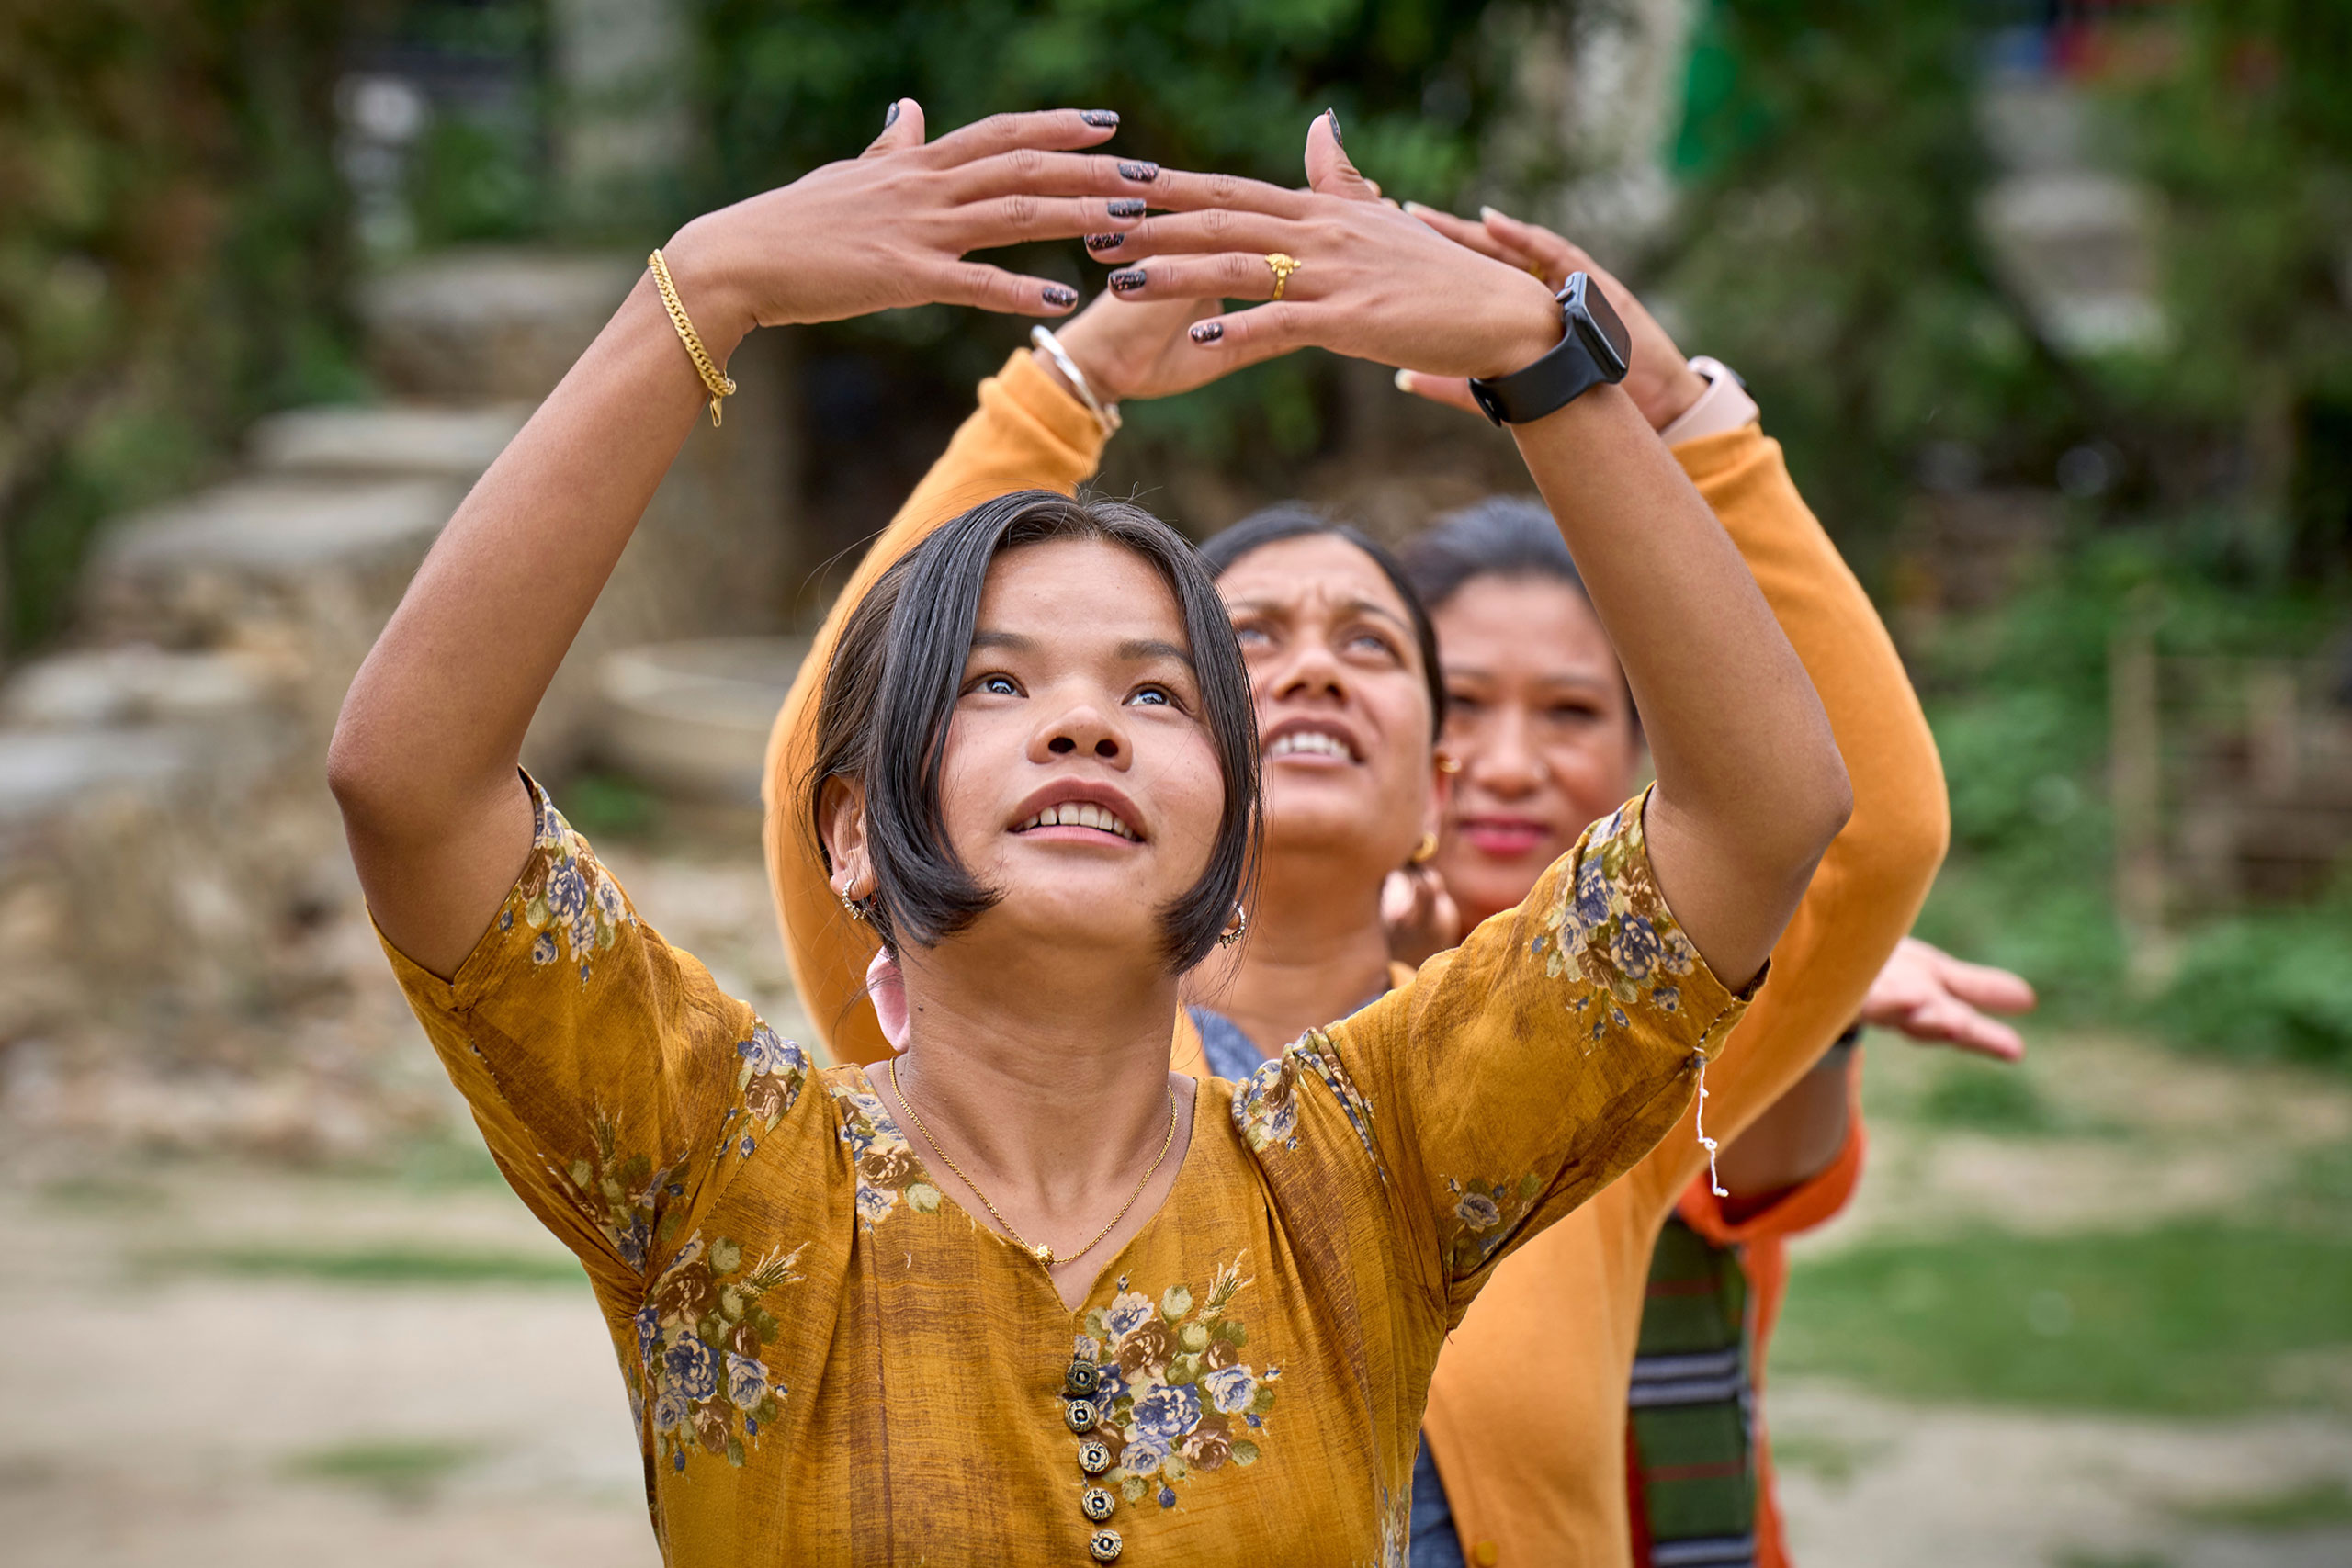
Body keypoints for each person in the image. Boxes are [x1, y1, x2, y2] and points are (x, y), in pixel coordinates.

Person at [334, 104, 1850, 1565]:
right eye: (997, 681)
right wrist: (707, 289)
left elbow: (1768, 810)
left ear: (1234, 843)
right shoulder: (719, 1170)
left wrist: (1543, 362)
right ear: (850, 833)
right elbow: (410, 782)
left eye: (1160, 693)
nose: (1087, 725)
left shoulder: (1369, 1171)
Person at [763, 175, 1936, 1568]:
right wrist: (1066, 387)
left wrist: (1684, 425)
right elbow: (839, 771)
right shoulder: (999, 1039)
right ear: (1174, 758)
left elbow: (1857, 834)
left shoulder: (1560, 1073)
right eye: (1248, 644)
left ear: (1435, 785)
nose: (1316, 664)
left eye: (1373, 647)